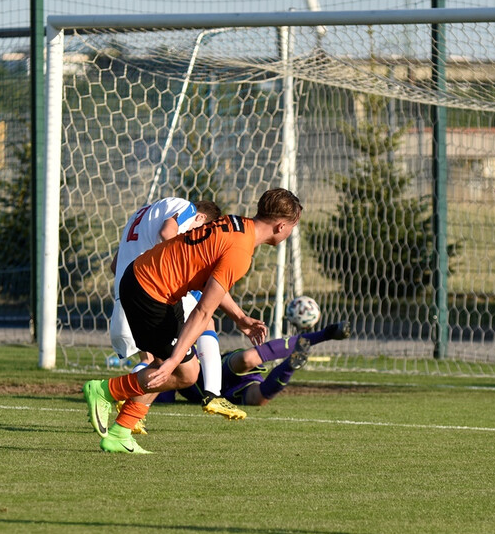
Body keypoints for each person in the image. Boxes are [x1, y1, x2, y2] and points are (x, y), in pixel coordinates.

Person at [82, 187, 303, 454]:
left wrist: (241, 318)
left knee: (172, 366)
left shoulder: (236, 223)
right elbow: (202, 312)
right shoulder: (241, 252)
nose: (289, 233)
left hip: (152, 284)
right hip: (150, 291)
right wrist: (176, 359)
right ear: (281, 226)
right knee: (185, 372)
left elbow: (211, 286)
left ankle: (120, 432)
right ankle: (106, 390)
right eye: (292, 227)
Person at [105, 196, 245, 431]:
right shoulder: (185, 208)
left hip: (124, 300)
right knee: (206, 321)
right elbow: (167, 232)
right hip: (153, 292)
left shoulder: (139, 216)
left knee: (154, 362)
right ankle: (212, 393)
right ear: (200, 218)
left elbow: (114, 265)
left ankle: (131, 417)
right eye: (200, 231)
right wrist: (186, 258)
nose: (198, 238)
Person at [152, 320, 351, 407]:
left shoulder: (187, 351)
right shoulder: (174, 371)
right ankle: (290, 365)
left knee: (247, 359)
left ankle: (324, 334)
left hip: (218, 371)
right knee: (258, 399)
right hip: (228, 394)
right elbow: (164, 398)